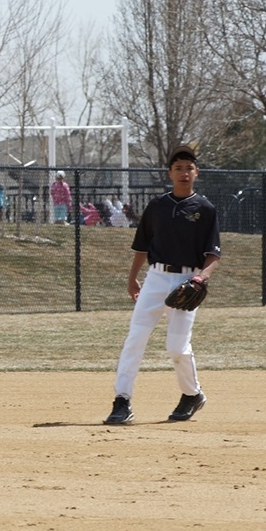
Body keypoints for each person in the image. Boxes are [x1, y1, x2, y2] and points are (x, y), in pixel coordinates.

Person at [104, 144, 221, 425]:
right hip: (155, 278)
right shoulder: (157, 206)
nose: (184, 172)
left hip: (186, 280)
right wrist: (133, 278)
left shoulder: (204, 209)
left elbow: (213, 254)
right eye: (178, 168)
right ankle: (122, 401)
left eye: (189, 168)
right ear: (170, 173)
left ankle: (192, 395)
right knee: (135, 339)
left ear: (196, 172)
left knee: (177, 347)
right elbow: (142, 246)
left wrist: (200, 278)